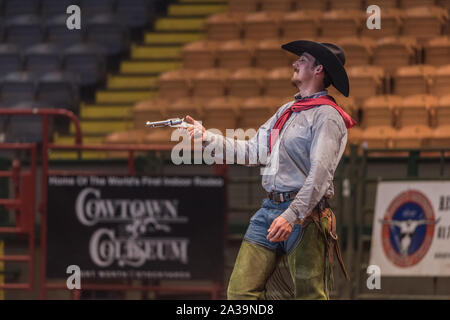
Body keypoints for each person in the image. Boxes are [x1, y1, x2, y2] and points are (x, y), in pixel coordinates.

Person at [184, 40, 355, 300]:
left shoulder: (327, 117)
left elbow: (320, 175)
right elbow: (254, 151)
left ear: (319, 69)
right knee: (240, 292)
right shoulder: (287, 111)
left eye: (303, 59)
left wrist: (291, 215)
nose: (295, 63)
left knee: (309, 296)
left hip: (306, 215)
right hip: (271, 210)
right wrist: (207, 136)